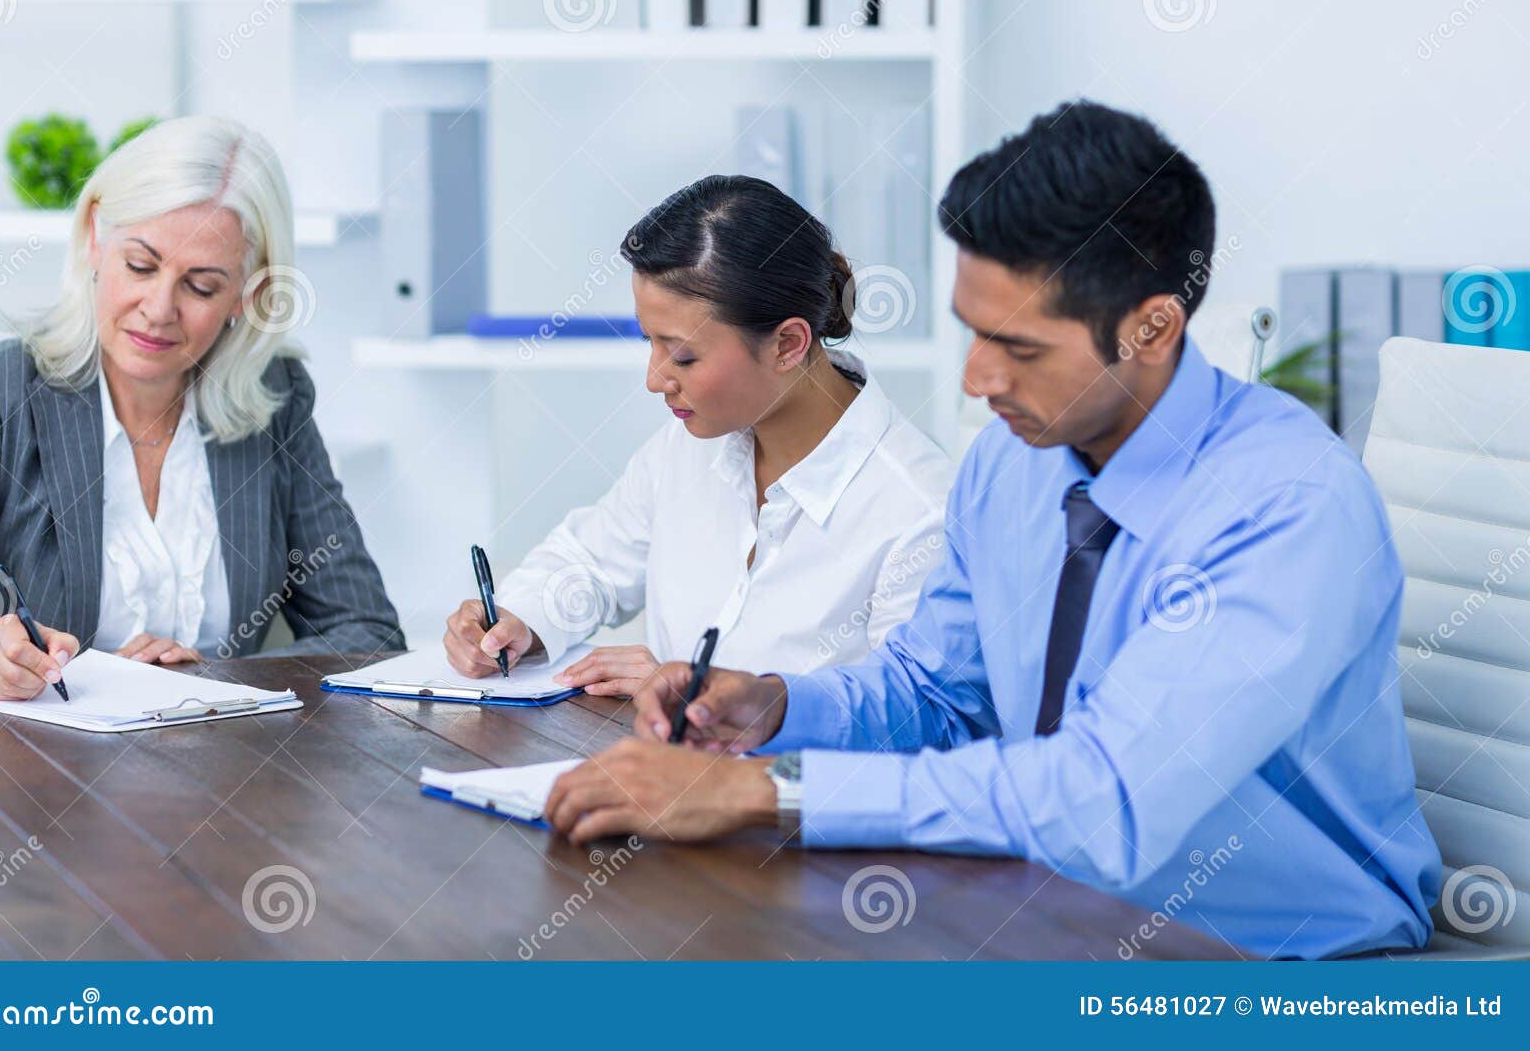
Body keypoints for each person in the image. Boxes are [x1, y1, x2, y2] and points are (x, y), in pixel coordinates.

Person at [541, 102, 1442, 959]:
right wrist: (778, 704)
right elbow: (936, 693)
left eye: (1019, 347)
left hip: (1284, 959)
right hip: (1049, 912)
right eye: (973, 333)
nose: (976, 380)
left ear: (1152, 327)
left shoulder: (1288, 505)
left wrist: (767, 792)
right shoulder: (1014, 465)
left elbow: (1110, 800)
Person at [0, 116, 404, 699]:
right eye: (141, 265)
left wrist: (209, 675)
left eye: (201, 286)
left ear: (246, 294)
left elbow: (367, 632)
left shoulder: (276, 398)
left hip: (220, 772)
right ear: (95, 237)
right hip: (25, 776)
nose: (159, 308)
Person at [442, 175, 952, 697]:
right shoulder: (685, 449)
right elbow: (588, 563)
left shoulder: (919, 510)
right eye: (650, 342)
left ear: (788, 344)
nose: (654, 378)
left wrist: (701, 696)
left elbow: (908, 719)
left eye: (682, 354)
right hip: (659, 767)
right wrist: (516, 621)